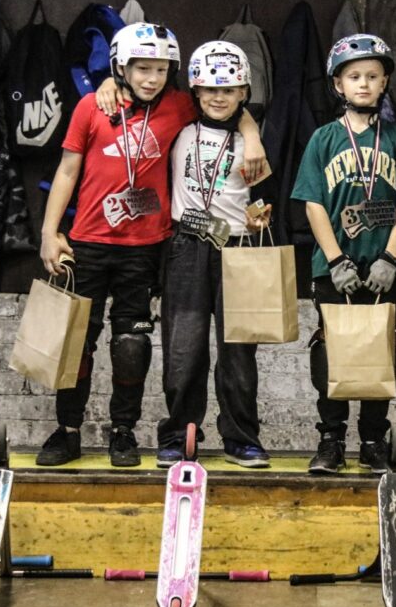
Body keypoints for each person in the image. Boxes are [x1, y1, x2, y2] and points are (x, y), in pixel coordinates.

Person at [34, 23, 265, 467]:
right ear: (121, 68)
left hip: (144, 247)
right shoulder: (91, 106)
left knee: (131, 345)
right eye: (141, 69)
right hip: (87, 242)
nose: (151, 78)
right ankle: (67, 430)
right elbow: (66, 170)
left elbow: (229, 103)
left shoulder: (178, 106)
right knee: (75, 342)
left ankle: (123, 431)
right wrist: (49, 232)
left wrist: (252, 135)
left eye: (160, 70)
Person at [291, 34, 396, 474]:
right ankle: (331, 439)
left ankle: (373, 439)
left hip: (383, 265)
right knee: (332, 350)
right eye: (354, 76)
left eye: (372, 76)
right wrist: (336, 259)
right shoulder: (324, 139)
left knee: (381, 349)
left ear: (384, 83)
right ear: (338, 84)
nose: (364, 83)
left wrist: (391, 258)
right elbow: (313, 203)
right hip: (334, 267)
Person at [158, 41, 274, 469]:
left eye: (228, 90)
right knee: (183, 348)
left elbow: (261, 196)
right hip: (187, 246)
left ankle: (241, 437)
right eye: (209, 89)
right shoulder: (180, 126)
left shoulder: (253, 141)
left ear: (244, 92)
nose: (218, 98)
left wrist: (260, 217)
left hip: (237, 247)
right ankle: (178, 434)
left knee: (238, 352)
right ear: (195, 90)